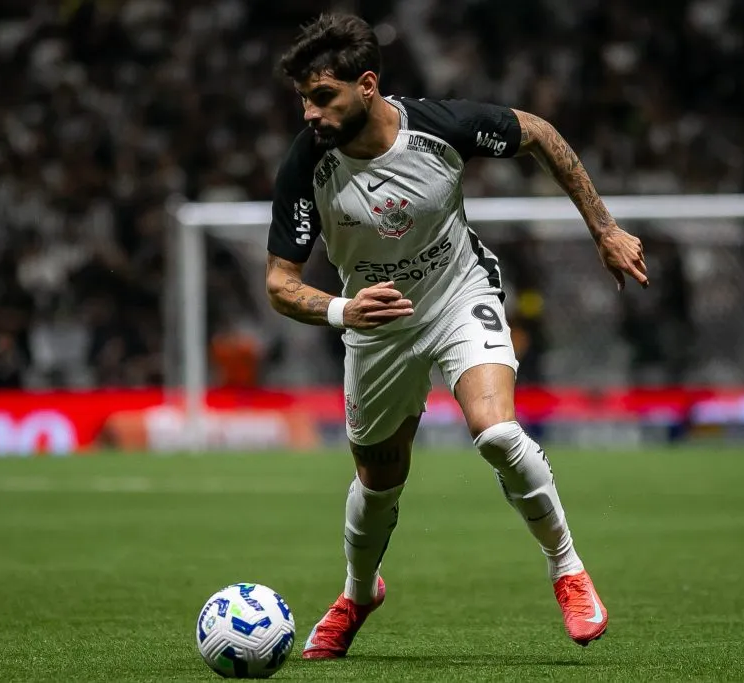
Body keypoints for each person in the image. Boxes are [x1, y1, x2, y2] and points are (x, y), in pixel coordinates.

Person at [264, 14, 648, 658]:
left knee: (497, 433)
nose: (309, 112)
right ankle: (359, 593)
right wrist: (341, 310)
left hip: (458, 296)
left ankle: (568, 569)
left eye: (322, 96)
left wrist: (604, 229)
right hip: (376, 327)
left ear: (366, 86)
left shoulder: (442, 126)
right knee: (379, 482)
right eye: (302, 98)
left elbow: (541, 134)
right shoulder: (305, 164)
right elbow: (280, 284)